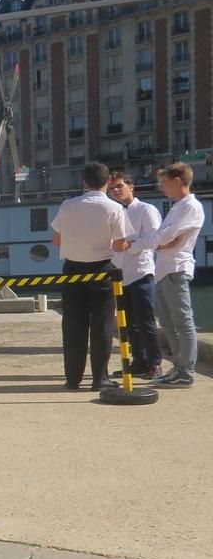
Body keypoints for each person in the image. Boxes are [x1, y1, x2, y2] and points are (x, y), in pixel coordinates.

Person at [114, 162, 205, 387]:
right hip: (164, 271)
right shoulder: (176, 207)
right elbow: (161, 238)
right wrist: (159, 241)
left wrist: (146, 242)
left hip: (177, 268)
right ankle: (178, 366)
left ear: (177, 181)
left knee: (183, 321)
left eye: (163, 182)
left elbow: (164, 237)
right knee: (167, 322)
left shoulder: (191, 207)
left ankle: (186, 371)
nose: (160, 187)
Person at [50, 162, 128, 391]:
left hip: (72, 271)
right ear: (109, 181)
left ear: (84, 182)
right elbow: (121, 243)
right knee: (102, 324)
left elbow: (56, 241)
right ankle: (99, 379)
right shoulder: (114, 209)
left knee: (73, 325)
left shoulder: (67, 205)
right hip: (102, 269)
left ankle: (73, 378)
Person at [106, 173, 163, 379]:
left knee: (146, 321)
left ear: (131, 187)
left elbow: (154, 239)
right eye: (112, 188)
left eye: (120, 186)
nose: (116, 191)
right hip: (121, 275)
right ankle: (138, 361)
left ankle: (155, 363)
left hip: (141, 273)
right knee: (129, 324)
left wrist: (129, 245)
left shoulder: (146, 210)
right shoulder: (114, 212)